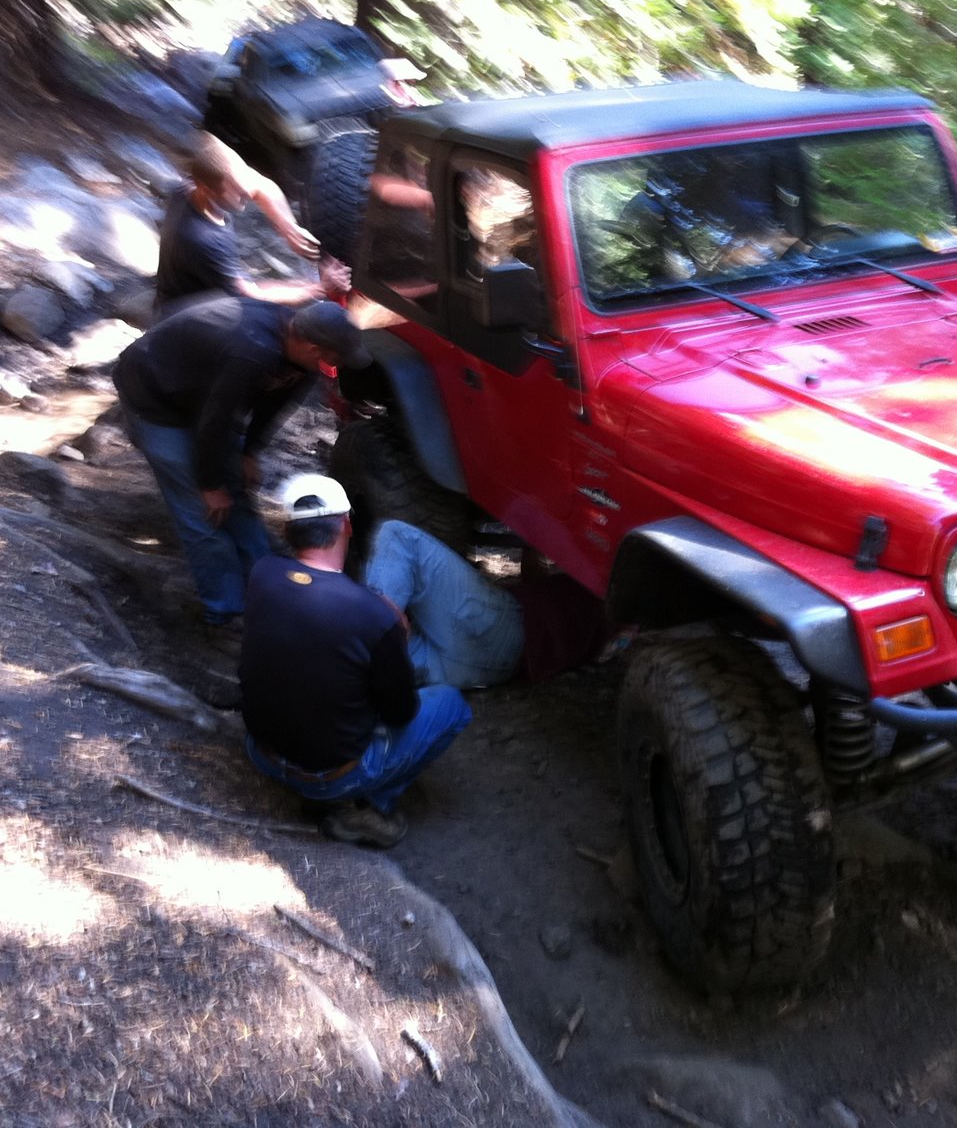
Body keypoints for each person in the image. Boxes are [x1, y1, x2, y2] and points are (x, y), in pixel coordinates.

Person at [240, 475, 472, 847]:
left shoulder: (262, 574)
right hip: (327, 777)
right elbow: (401, 713)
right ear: (346, 525)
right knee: (451, 704)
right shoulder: (374, 618)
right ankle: (365, 807)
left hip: (261, 752)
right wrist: (396, 640)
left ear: (286, 530)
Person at [112, 297, 371, 630]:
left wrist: (249, 453)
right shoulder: (250, 349)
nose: (335, 366)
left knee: (237, 498)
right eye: (335, 357)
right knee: (200, 513)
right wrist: (209, 485)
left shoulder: (303, 357)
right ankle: (224, 613)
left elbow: (272, 406)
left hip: (203, 397)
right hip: (154, 397)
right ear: (312, 347)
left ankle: (273, 590)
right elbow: (214, 421)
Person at [361, 519, 614, 691]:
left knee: (397, 536)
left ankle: (370, 632)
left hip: (494, 629)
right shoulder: (606, 618)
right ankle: (364, 647)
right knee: (367, 668)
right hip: (489, 669)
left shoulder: (602, 597)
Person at [155, 132, 349, 316]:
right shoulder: (203, 239)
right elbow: (251, 295)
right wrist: (320, 288)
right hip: (189, 314)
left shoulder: (195, 186)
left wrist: (289, 228)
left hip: (215, 286)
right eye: (238, 192)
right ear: (207, 190)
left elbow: (260, 186)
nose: (248, 193)